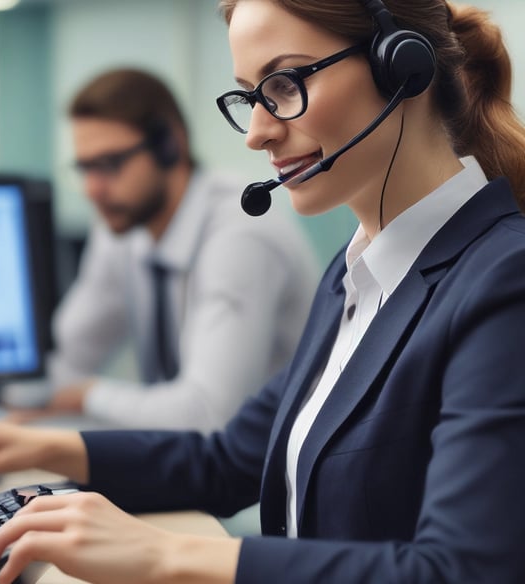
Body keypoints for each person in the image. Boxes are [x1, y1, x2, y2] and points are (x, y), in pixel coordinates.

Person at [0, 0, 525, 582]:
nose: (256, 133)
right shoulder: (357, 273)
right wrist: (27, 445)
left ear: (403, 68)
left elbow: (464, 570)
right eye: (251, 96)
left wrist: (162, 557)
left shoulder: (504, 279)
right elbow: (228, 460)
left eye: (285, 84)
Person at [20, 67, 319, 433]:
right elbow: (64, 359)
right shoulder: (122, 227)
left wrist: (87, 396)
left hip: (271, 460)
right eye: (84, 168)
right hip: (187, 459)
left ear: (169, 146)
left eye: (109, 164)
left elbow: (208, 416)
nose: (92, 190)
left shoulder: (240, 234)